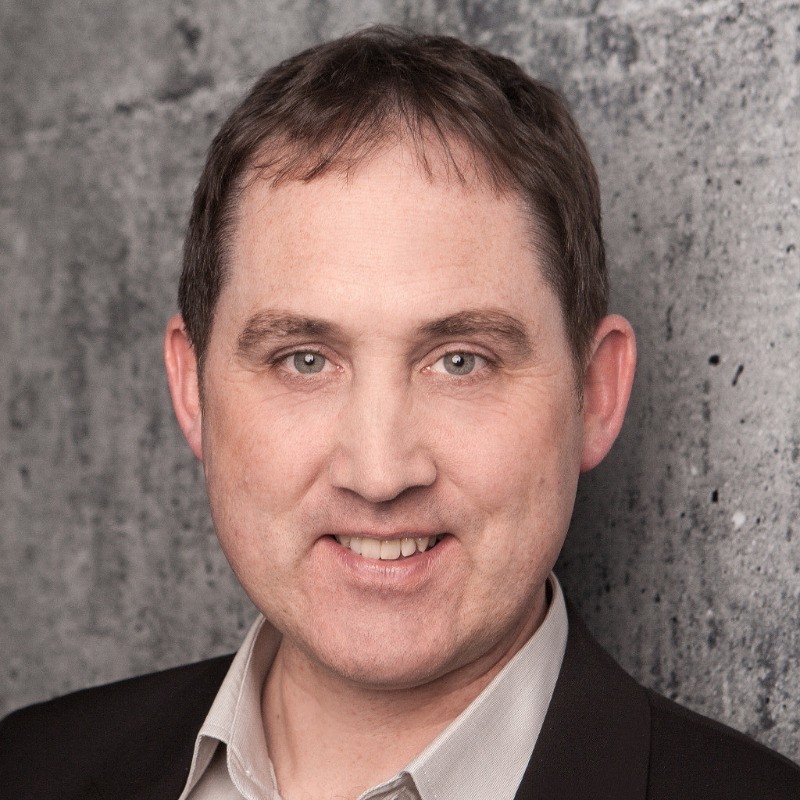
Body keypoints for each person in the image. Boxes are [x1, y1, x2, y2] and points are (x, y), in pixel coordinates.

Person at [1, 25, 798, 800]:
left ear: (596, 393)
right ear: (192, 389)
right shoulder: (27, 770)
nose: (380, 475)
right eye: (304, 360)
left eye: (461, 361)